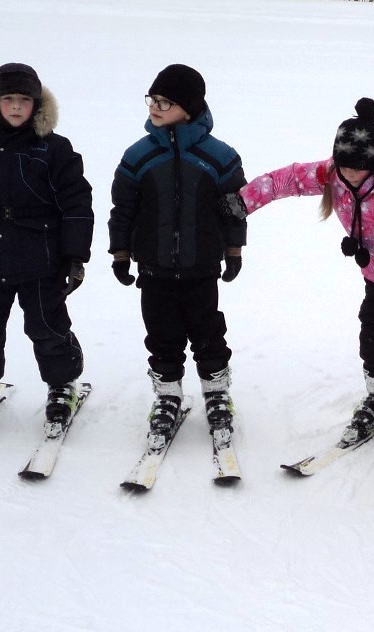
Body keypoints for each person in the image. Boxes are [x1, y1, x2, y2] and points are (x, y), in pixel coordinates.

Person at [237, 98, 374, 446]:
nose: (349, 174)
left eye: (358, 168)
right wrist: (243, 202)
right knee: (373, 331)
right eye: (344, 166)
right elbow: (288, 179)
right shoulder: (333, 173)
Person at [0, 63, 92, 435]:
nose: (15, 107)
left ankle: (62, 386)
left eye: (24, 100)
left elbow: (76, 203)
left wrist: (74, 257)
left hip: (42, 264)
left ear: (36, 104)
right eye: (8, 99)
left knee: (49, 329)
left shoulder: (53, 149)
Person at [108, 64, 247, 449]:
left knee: (209, 335)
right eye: (152, 99)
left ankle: (217, 394)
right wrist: (121, 252)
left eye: (165, 101)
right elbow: (123, 209)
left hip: (202, 269)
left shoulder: (219, 156)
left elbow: (234, 207)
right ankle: (168, 396)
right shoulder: (138, 156)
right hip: (153, 270)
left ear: (187, 107)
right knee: (162, 337)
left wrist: (234, 249)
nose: (155, 106)